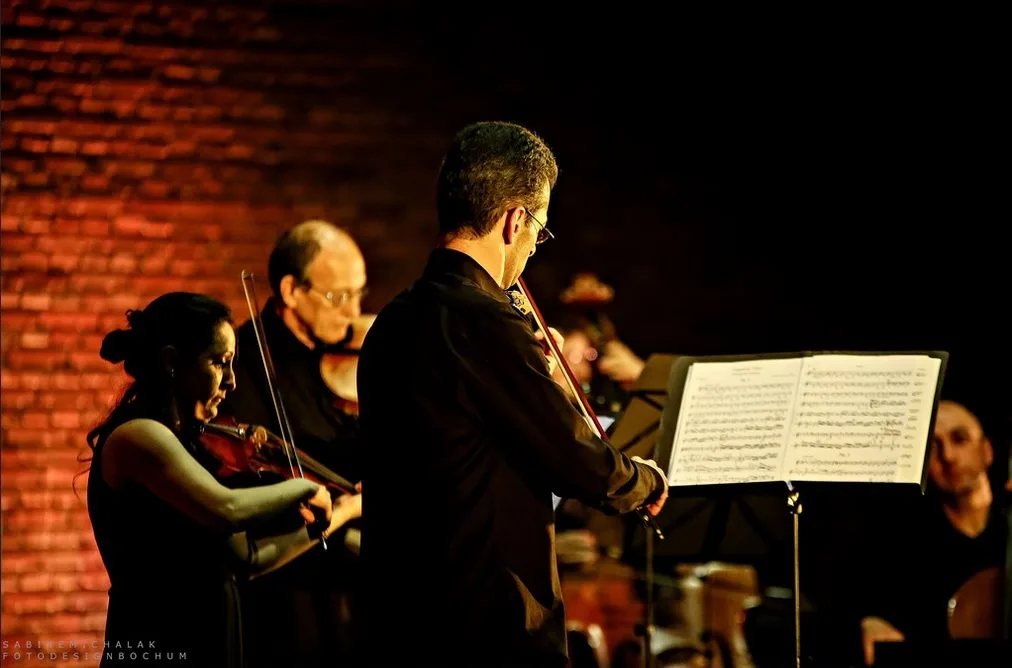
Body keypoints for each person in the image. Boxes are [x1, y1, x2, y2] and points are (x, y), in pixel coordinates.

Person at [357, 121, 669, 667]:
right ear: (514, 220)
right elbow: (576, 461)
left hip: (401, 621)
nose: (531, 250)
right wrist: (644, 481)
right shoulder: (490, 323)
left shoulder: (391, 322)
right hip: (488, 625)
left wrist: (532, 373)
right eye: (538, 231)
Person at [84, 292, 360, 667]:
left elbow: (249, 558)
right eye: (220, 363)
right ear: (172, 362)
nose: (231, 382)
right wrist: (305, 488)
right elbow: (228, 509)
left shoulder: (191, 447)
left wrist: (343, 510)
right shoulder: (139, 436)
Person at [219, 220, 369, 667]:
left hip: (346, 592)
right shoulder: (244, 367)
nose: (354, 313)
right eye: (339, 297)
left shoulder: (346, 357)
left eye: (359, 293)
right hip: (283, 594)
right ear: (290, 291)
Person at [857, 399, 1007, 665]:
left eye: (959, 439)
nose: (947, 456)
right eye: (933, 446)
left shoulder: (1006, 526)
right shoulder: (902, 540)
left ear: (987, 450)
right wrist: (871, 621)